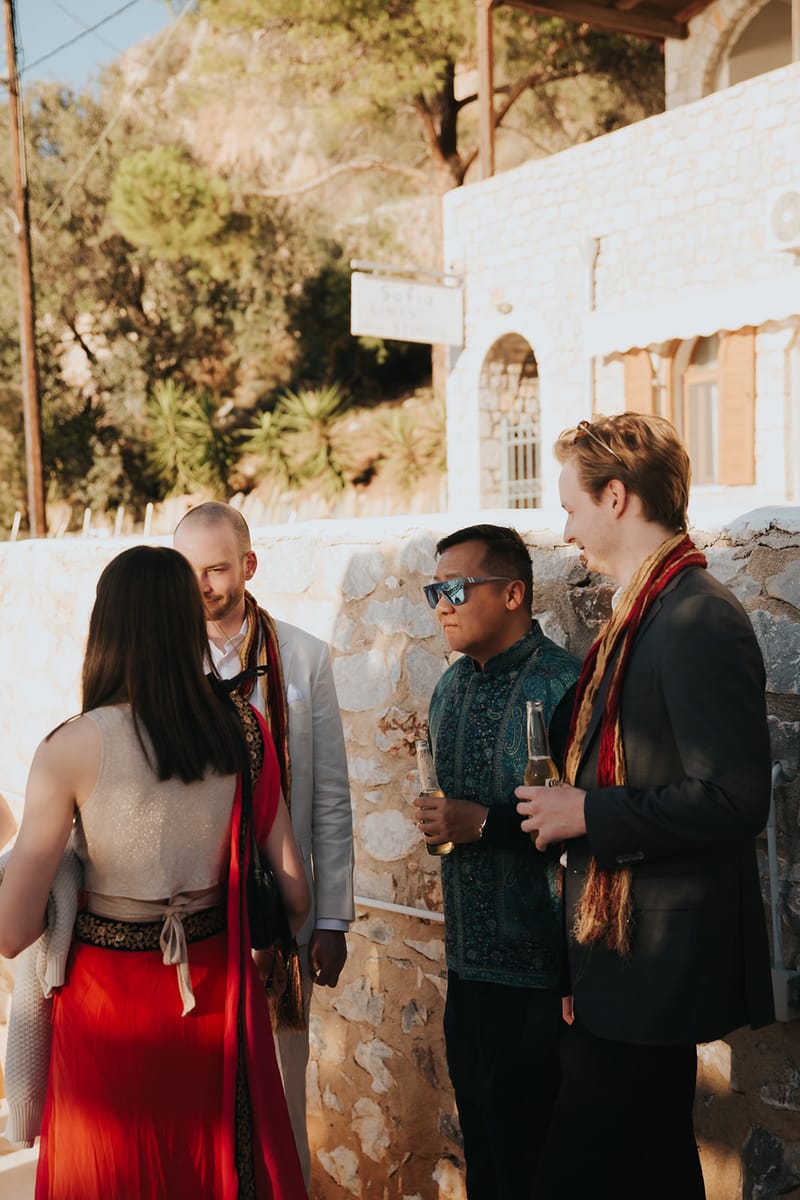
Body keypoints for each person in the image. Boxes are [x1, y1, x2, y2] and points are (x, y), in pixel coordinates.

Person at [516, 414, 775, 1200]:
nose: (566, 530)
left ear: (617, 497)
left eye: (572, 507)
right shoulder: (642, 614)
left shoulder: (696, 617)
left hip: (655, 970)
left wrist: (585, 815)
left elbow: (734, 799)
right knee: (653, 1169)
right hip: (617, 960)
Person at [0, 546, 310, 1199]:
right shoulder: (243, 729)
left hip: (106, 1008)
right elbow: (296, 892)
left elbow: (11, 930)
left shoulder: (70, 746)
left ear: (106, 625)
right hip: (214, 992)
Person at [174, 502, 354, 1185]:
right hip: (196, 917)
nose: (202, 585)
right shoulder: (164, 664)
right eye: (189, 570)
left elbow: (329, 796)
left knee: (282, 1093)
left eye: (216, 569)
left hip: (282, 914)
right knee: (200, 1103)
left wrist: (330, 919)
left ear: (248, 566)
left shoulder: (303, 657)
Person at [416, 523, 580, 1200]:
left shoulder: (567, 686)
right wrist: (446, 823)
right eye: (434, 591)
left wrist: (481, 822)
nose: (442, 606)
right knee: (485, 1157)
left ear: (513, 593)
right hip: (467, 976)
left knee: (541, 1166)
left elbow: (589, 822)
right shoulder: (449, 690)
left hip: (547, 984)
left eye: (456, 588)